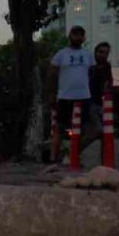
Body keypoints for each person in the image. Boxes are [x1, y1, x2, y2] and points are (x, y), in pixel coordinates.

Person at [48, 25, 95, 162]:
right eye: (75, 34)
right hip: (65, 97)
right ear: (70, 36)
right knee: (59, 129)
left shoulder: (88, 55)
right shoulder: (61, 54)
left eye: (81, 35)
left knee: (85, 130)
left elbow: (92, 74)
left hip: (84, 97)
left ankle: (73, 155)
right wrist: (51, 95)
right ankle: (52, 158)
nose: (78, 37)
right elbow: (51, 75)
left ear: (84, 38)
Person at [84, 41, 114, 152]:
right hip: (90, 104)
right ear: (95, 53)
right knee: (99, 131)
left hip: (103, 104)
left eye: (106, 53)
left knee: (104, 134)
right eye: (101, 52)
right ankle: (72, 152)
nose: (103, 55)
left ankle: (105, 161)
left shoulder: (107, 67)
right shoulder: (91, 68)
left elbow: (109, 83)